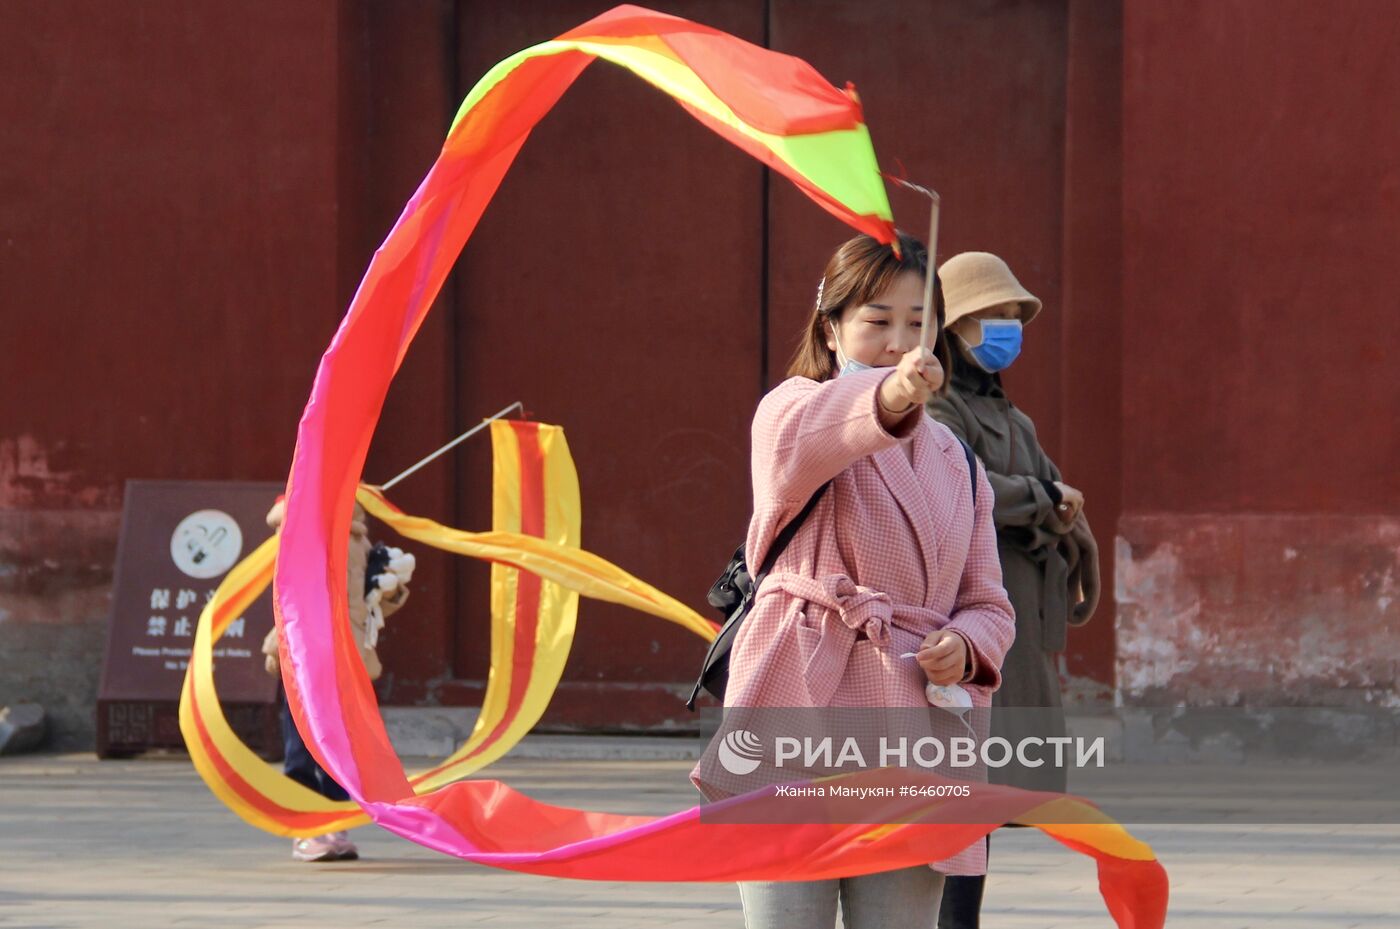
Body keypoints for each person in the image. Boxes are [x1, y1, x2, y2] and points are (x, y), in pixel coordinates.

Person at [691, 232, 1015, 929]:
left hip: (912, 722)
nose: (899, 342)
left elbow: (989, 601)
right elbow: (827, 433)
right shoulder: (790, 412)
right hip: (795, 702)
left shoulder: (959, 460)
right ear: (831, 326)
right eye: (877, 320)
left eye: (916, 325)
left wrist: (964, 643)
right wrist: (892, 393)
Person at [927, 251, 1101, 929]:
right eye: (993, 315)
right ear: (958, 324)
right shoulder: (938, 408)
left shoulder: (1010, 414)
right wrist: (1042, 498)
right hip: (965, 617)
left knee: (988, 796)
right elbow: (957, 483)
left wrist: (1055, 504)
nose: (1007, 328)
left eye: (1012, 316)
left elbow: (1048, 486)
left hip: (1014, 620)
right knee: (960, 793)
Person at [261, 496, 414, 862]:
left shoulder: (359, 540)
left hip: (348, 656)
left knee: (341, 746)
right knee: (301, 746)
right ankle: (305, 829)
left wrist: (388, 586)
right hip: (304, 655)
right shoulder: (296, 531)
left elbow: (367, 607)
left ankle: (335, 822)